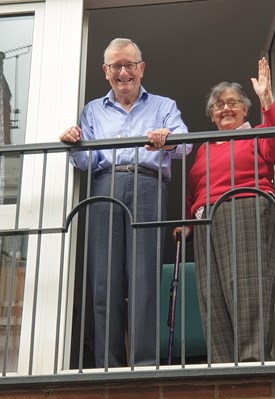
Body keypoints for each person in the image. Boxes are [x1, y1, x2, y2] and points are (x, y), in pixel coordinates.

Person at [59, 38, 191, 368]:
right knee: (105, 279)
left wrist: (167, 139)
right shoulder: (91, 110)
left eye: (129, 65)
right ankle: (108, 365)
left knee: (144, 279)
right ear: (105, 72)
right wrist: (73, 144)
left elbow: (185, 144)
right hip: (106, 186)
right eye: (116, 66)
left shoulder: (163, 105)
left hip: (148, 186)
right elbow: (87, 162)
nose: (123, 72)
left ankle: (145, 365)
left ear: (141, 69)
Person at [174, 57, 275, 363]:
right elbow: (194, 191)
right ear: (211, 115)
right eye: (218, 105)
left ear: (245, 110)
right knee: (212, 297)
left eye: (232, 102)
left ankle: (252, 364)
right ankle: (226, 372)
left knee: (247, 288)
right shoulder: (205, 148)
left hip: (245, 207)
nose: (225, 108)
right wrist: (187, 222)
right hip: (206, 221)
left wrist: (268, 100)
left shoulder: (255, 134)